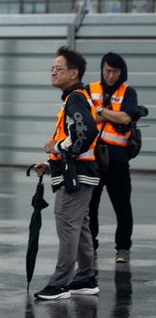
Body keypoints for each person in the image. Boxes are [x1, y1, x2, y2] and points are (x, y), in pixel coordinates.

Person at [32, 46, 100, 301]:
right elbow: (78, 140)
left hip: (77, 177)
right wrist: (51, 164)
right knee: (80, 226)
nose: (53, 73)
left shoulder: (75, 98)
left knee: (68, 226)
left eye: (58, 69)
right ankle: (85, 279)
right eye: (52, 68)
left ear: (74, 73)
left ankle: (60, 284)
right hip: (79, 172)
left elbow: (87, 133)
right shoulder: (73, 98)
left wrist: (57, 148)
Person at [87, 52, 139, 265]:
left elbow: (126, 116)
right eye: (107, 70)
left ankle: (123, 249)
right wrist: (109, 113)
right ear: (102, 69)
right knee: (90, 207)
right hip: (93, 158)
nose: (110, 75)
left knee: (122, 206)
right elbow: (88, 116)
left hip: (118, 159)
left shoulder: (128, 92)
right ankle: (91, 247)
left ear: (122, 72)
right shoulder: (90, 90)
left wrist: (100, 111)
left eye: (115, 71)